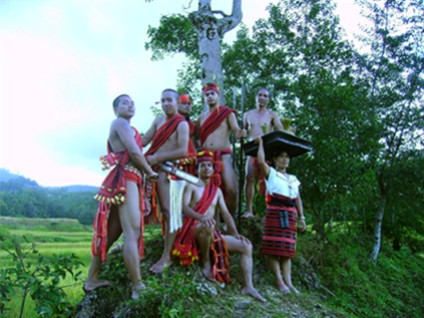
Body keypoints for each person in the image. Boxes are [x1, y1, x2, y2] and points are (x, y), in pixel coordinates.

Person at [84, 94, 158, 300]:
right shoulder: (119, 123)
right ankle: (137, 286)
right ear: (115, 109)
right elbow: (135, 152)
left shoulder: (130, 129)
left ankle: (92, 279)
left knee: (112, 234)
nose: (131, 104)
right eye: (125, 102)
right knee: (132, 233)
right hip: (126, 179)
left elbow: (143, 142)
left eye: (133, 102)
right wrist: (149, 172)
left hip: (128, 180)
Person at [172, 151, 266, 302]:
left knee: (246, 246)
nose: (206, 168)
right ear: (197, 169)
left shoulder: (217, 191)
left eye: (209, 165)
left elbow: (226, 214)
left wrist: (235, 233)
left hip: (211, 231)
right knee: (207, 226)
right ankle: (205, 262)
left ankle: (249, 286)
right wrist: (201, 217)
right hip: (193, 228)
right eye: (202, 165)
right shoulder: (191, 186)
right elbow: (183, 208)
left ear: (213, 169)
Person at [143, 88, 193, 274]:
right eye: (163, 100)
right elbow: (145, 139)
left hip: (169, 170)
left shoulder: (181, 124)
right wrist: (127, 141)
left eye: (169, 100)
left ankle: (167, 256)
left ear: (177, 103)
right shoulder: (158, 120)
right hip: (151, 169)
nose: (166, 104)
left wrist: (157, 158)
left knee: (169, 211)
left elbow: (182, 151)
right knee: (141, 208)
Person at [256, 137, 306, 294]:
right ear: (275, 160)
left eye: (287, 157)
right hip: (275, 211)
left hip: (290, 214)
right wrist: (261, 144)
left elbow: (297, 198)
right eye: (281, 157)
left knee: (287, 250)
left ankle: (289, 283)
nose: (285, 160)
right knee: (273, 248)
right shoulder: (271, 174)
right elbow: (260, 161)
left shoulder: (293, 179)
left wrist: (302, 217)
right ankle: (279, 280)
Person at [196, 83, 246, 216]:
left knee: (231, 189)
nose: (210, 97)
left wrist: (240, 133)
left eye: (212, 94)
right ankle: (209, 220)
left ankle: (230, 220)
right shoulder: (201, 118)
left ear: (218, 96)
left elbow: (235, 130)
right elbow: (197, 138)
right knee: (205, 190)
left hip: (224, 155)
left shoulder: (227, 113)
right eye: (207, 94)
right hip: (206, 157)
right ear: (204, 97)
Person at [242, 88, 284, 218]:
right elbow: (242, 132)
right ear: (256, 97)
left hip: (267, 150)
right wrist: (241, 133)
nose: (262, 98)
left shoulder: (272, 114)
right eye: (260, 95)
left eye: (265, 96)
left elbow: (280, 130)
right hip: (251, 149)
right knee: (249, 178)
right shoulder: (247, 114)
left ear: (268, 100)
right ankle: (249, 210)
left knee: (269, 180)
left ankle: (271, 209)